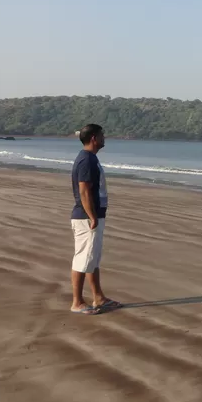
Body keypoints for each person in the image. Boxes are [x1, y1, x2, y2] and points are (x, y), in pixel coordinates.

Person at [69, 123, 120, 314]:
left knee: (92, 259)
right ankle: (77, 302)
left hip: (93, 216)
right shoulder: (86, 160)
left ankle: (98, 297)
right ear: (94, 139)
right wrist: (91, 216)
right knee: (82, 258)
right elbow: (83, 190)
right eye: (102, 135)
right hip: (85, 218)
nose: (104, 138)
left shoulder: (91, 158)